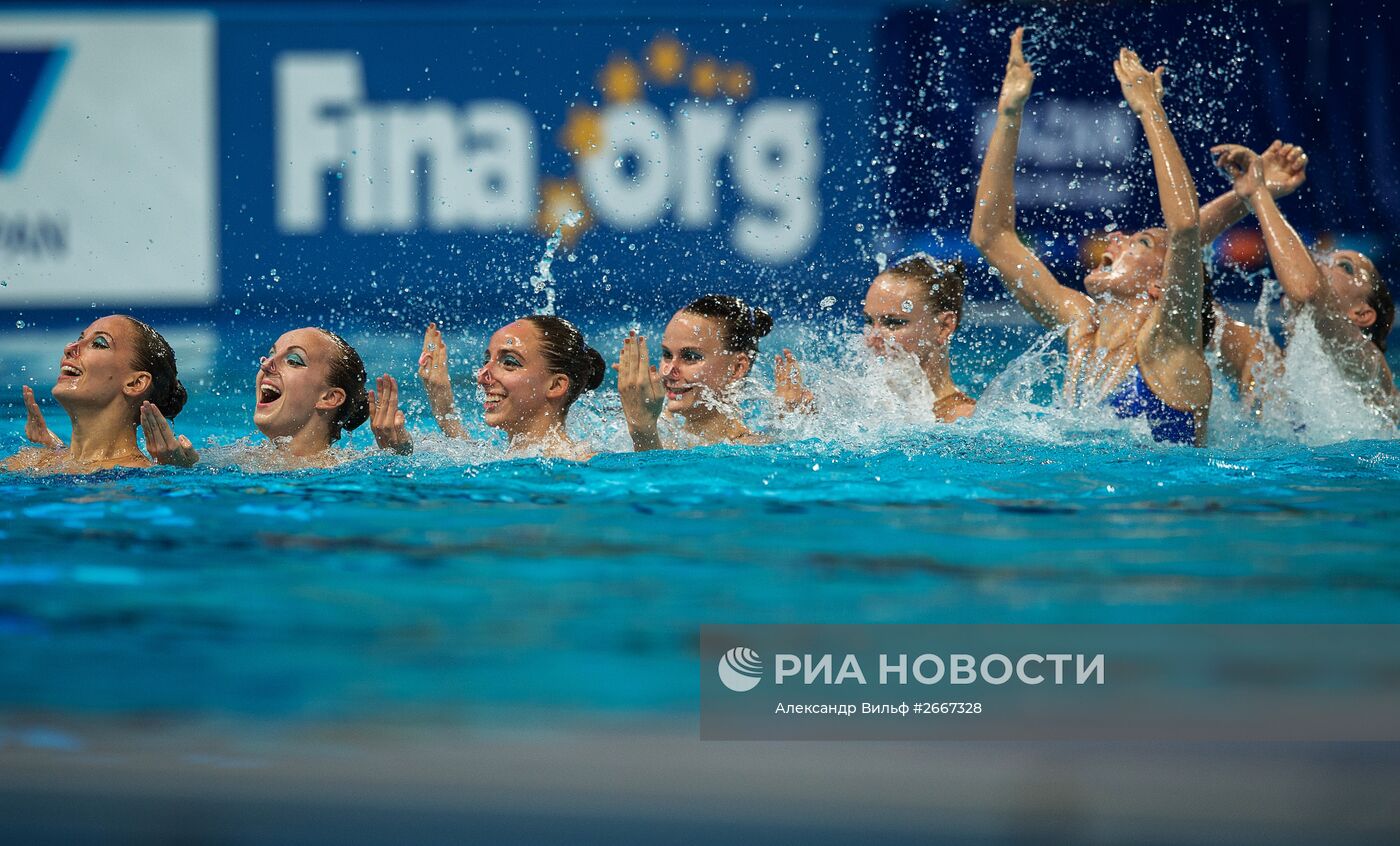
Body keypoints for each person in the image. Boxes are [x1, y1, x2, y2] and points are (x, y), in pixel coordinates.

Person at [970, 29, 1211, 445]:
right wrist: (1009, 112)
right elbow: (992, 238)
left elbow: (1186, 229)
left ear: (1161, 284)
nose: (1116, 236)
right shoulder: (1082, 330)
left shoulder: (1168, 344)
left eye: (1142, 242)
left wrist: (1151, 111)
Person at [1212, 143, 1398, 418]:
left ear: (1362, 314)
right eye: (1324, 257)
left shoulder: (1370, 369)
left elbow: (1308, 292)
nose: (1321, 263)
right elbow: (1179, 260)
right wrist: (1244, 196)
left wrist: (1259, 194)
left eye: (1345, 267)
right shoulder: (1260, 362)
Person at [139, 327, 383, 468]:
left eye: (294, 361)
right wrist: (178, 469)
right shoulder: (231, 460)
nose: (267, 364)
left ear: (330, 397)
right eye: (270, 354)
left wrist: (397, 451)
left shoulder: (347, 470)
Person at [773, 254, 976, 422]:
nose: (873, 338)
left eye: (894, 323)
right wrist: (795, 418)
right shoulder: (856, 405)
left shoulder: (963, 419)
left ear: (944, 327)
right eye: (869, 322)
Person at [5, 315, 187, 473]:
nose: (70, 347)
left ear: (135, 383)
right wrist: (58, 450)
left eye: (99, 343)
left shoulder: (142, 476)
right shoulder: (32, 460)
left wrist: (175, 472)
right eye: (79, 338)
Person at [416, 316, 605, 460]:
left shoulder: (583, 464)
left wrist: (637, 431)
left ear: (555, 385)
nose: (481, 375)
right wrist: (443, 410)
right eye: (486, 360)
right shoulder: (505, 456)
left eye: (509, 362)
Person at [615, 295, 773, 450]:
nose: (668, 370)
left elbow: (658, 476)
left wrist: (642, 432)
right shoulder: (662, 431)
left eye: (690, 357)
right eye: (667, 355)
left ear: (737, 368)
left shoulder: (748, 452)